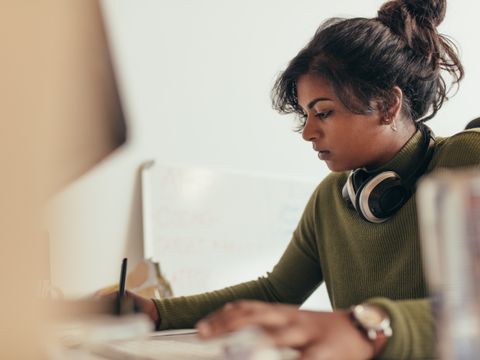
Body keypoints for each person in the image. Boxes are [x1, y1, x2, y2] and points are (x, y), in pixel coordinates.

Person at [125, 0, 480, 358]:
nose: (308, 132)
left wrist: (366, 327)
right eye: (306, 115)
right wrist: (156, 312)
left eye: (324, 112)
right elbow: (277, 292)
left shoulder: (469, 158)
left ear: (388, 105)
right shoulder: (332, 197)